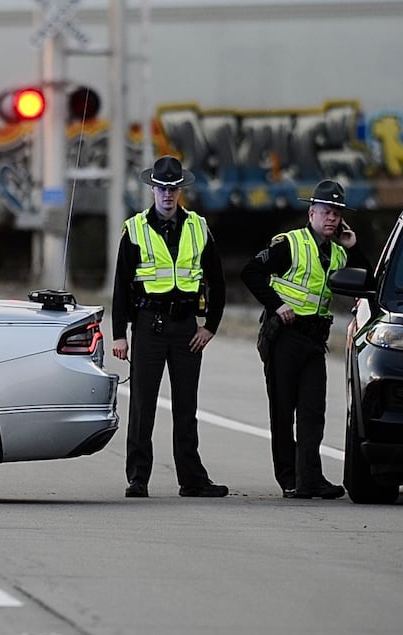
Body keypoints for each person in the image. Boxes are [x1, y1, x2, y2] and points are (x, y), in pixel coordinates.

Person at [110, 155, 228, 499]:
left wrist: (211, 326)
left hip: (186, 327)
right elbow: (122, 285)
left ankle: (191, 479)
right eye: (161, 188)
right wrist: (120, 333)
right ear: (152, 189)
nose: (167, 194)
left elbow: (216, 281)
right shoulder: (135, 230)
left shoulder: (197, 227)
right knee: (142, 406)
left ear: (180, 190)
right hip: (149, 324)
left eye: (173, 188)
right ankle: (138, 478)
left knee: (186, 407)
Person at [241, 179, 358, 500]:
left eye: (337, 212)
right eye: (326, 211)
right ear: (311, 213)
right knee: (283, 411)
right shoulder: (289, 243)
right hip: (284, 338)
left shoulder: (337, 254)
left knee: (313, 413)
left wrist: (352, 245)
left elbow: (364, 280)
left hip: (314, 341)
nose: (332, 218)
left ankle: (311, 478)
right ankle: (290, 478)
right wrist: (277, 306)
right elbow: (251, 272)